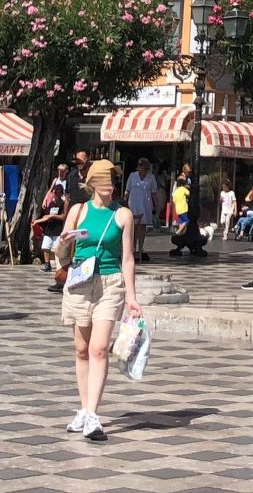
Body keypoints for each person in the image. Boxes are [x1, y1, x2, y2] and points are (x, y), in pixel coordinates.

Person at [58, 160, 141, 442]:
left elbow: (127, 258)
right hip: (80, 283)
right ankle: (83, 409)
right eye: (104, 182)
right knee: (81, 349)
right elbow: (60, 252)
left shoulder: (123, 215)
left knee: (99, 348)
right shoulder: (77, 211)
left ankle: (93, 414)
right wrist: (64, 241)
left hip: (110, 283)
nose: (109, 187)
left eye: (112, 182)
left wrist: (131, 296)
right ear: (92, 183)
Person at [124, 158, 159, 263]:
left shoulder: (151, 178)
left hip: (145, 204)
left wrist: (157, 206)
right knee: (133, 226)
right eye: (138, 164)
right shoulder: (132, 176)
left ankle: (141, 247)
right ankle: (133, 247)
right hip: (133, 204)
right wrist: (125, 203)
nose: (139, 166)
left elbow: (154, 193)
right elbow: (127, 190)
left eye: (141, 165)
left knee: (142, 227)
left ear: (146, 166)